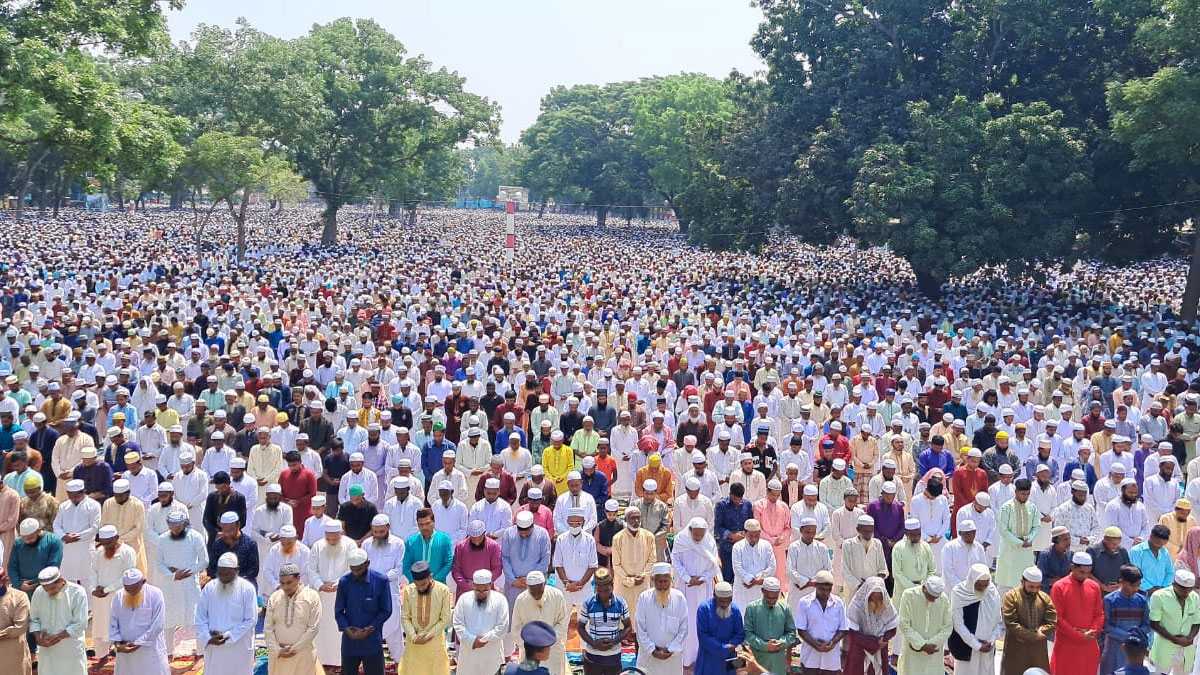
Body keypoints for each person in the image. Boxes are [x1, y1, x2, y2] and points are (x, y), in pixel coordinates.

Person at [154, 510, 206, 661]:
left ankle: (201, 652)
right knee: (168, 620)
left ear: (185, 524)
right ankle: (168, 653)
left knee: (197, 618)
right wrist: (174, 575)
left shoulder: (196, 537)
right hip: (171, 584)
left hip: (190, 583)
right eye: (172, 526)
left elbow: (204, 561)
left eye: (178, 526)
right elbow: (158, 562)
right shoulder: (163, 539)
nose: (175, 529)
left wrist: (187, 572)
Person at [195, 552, 257, 673]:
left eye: (227, 574)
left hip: (239, 645)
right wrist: (207, 637)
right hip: (214, 647)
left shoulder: (247, 589)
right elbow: (200, 617)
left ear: (236, 571)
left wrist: (229, 636)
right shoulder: (209, 588)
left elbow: (251, 619)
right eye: (221, 573)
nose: (223, 577)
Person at [307, 520, 357, 668]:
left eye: (335, 538)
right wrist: (320, 584)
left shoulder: (350, 545)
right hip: (321, 594)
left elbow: (352, 569)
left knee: (338, 630)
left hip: (342, 594)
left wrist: (336, 583)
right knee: (321, 630)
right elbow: (311, 569)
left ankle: (340, 663)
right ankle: (322, 663)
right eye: (329, 539)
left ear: (341, 534)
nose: (332, 541)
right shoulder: (317, 546)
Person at [334, 547, 392, 675]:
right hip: (350, 642)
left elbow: (386, 610)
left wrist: (369, 629)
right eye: (352, 569)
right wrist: (348, 630)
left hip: (372, 641)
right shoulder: (344, 582)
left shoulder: (381, 580)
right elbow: (338, 611)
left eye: (359, 569)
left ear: (367, 563)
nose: (355, 573)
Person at [1050, 551, 1106, 675]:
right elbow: (1057, 618)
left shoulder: (1094, 587)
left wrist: (1093, 631)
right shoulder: (1059, 587)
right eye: (1082, 572)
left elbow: (1099, 614)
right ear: (1072, 567)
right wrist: (1078, 635)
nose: (1085, 576)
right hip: (1066, 645)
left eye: (1088, 573)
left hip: (1089, 644)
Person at [263, 562, 323, 675]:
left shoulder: (312, 597)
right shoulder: (275, 597)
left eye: (289, 582)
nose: (285, 587)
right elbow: (268, 628)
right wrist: (277, 650)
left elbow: (313, 628)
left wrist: (293, 649)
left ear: (298, 579)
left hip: (302, 654)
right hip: (278, 656)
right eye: (282, 583)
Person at [108, 568, 170, 675]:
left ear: (143, 582)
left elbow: (157, 625)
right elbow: (113, 622)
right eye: (127, 589)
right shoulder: (118, 596)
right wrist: (118, 645)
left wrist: (137, 643)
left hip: (149, 650)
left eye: (134, 589)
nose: (130, 593)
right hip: (125, 651)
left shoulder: (155, 594)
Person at [28, 566, 87, 675]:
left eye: (52, 589)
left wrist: (57, 637)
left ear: (61, 581)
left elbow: (80, 624)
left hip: (69, 647)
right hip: (47, 649)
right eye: (46, 590)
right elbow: (34, 619)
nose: (49, 592)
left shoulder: (77, 592)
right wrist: (38, 639)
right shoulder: (40, 592)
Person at [510, 570, 569, 675]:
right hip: (529, 653)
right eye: (533, 591)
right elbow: (516, 628)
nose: (536, 594)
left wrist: (547, 642)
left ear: (544, 584)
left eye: (539, 590)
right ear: (527, 587)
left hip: (553, 649)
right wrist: (532, 645)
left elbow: (563, 622)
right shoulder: (521, 600)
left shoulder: (557, 595)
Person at [999, 566, 1056, 675]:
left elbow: (1052, 621)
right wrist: (1034, 636)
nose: (1034, 590)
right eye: (1031, 586)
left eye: (1038, 587)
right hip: (1016, 648)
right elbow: (1011, 622)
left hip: (1037, 651)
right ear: (1022, 582)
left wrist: (1041, 631)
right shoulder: (1011, 597)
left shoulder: (1044, 598)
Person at [634, 562, 689, 675]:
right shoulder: (644, 598)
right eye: (660, 581)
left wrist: (671, 649)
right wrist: (652, 650)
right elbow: (640, 629)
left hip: (672, 658)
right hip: (649, 657)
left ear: (671, 580)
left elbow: (683, 629)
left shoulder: (679, 598)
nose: (663, 585)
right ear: (653, 580)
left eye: (666, 581)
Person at [399, 561, 451, 675]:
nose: (420, 588)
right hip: (414, 643)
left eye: (423, 584)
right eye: (417, 585)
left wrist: (427, 636)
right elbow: (405, 617)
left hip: (434, 642)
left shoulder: (443, 590)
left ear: (430, 577)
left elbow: (445, 618)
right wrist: (413, 636)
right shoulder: (409, 590)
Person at [452, 569, 509, 674]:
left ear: (490, 584)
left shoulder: (500, 600)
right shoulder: (464, 599)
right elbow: (458, 623)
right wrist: (472, 640)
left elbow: (502, 626)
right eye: (478, 590)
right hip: (469, 652)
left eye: (485, 590)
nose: (482, 593)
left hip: (491, 651)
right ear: (473, 585)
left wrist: (484, 639)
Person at [949, 564, 1002, 675]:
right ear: (972, 581)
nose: (983, 588)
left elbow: (998, 621)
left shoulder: (992, 591)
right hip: (966, 647)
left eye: (985, 584)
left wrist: (991, 641)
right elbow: (958, 623)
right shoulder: (959, 592)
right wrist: (976, 645)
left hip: (987, 648)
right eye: (979, 585)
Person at [1100, 565, 1151, 675]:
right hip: (1113, 650)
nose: (1136, 589)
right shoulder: (1109, 600)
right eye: (1132, 585)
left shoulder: (1142, 601)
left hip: (1134, 653)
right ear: (1121, 582)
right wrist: (1127, 636)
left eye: (1138, 585)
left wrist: (1136, 636)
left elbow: (1146, 624)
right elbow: (1105, 626)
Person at [1148, 568, 1200, 675]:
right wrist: (1174, 639)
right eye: (1182, 589)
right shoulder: (1159, 596)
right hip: (1165, 648)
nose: (1186, 592)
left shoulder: (1194, 597)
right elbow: (1154, 623)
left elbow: (1196, 622)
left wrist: (1189, 638)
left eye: (1189, 589)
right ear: (1173, 584)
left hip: (1186, 649)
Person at [895, 576, 951, 675]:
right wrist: (921, 645)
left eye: (936, 598)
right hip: (912, 650)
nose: (933, 600)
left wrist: (932, 643)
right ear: (924, 588)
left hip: (934, 651)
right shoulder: (909, 595)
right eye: (930, 596)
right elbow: (903, 624)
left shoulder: (943, 599)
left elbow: (948, 627)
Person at [794, 569, 845, 675]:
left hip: (831, 658)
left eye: (829, 589)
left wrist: (832, 643)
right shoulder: (804, 602)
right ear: (816, 585)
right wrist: (816, 646)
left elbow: (843, 628)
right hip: (810, 656)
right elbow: (801, 629)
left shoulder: (838, 603)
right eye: (822, 589)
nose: (825, 593)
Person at [844, 576, 897, 675]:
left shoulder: (886, 605)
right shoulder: (856, 606)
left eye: (879, 597)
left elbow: (893, 626)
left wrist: (883, 639)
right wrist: (872, 643)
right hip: (860, 649)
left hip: (881, 650)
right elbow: (852, 632)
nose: (876, 600)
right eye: (873, 596)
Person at [996, 478, 1042, 593]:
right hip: (1010, 550)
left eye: (1027, 494)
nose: (1025, 497)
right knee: (1006, 583)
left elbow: (1037, 526)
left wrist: (1030, 539)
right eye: (1022, 494)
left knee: (1024, 579)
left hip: (1026, 551)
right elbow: (1003, 530)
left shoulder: (1032, 507)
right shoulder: (1006, 507)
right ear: (1016, 492)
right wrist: (1019, 542)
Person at [695, 581, 746, 675]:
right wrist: (724, 648)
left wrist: (733, 644)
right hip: (709, 657)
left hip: (730, 657)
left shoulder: (734, 609)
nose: (725, 604)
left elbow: (740, 634)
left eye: (728, 600)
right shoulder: (704, 608)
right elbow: (703, 636)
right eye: (721, 601)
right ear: (714, 596)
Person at [841, 513, 888, 600]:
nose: (869, 534)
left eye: (871, 531)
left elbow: (883, 569)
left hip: (874, 592)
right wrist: (860, 585)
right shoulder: (848, 544)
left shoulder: (877, 544)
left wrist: (874, 584)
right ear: (858, 529)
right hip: (854, 592)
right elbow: (845, 571)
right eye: (866, 531)